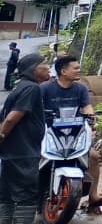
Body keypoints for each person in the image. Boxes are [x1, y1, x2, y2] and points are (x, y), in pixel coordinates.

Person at [42, 55, 102, 211]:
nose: (79, 70)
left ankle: (93, 196)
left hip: (74, 134)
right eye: (76, 68)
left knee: (93, 157)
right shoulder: (45, 89)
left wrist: (91, 117)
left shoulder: (81, 89)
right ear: (63, 71)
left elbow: (87, 107)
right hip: (49, 134)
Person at [0, 53, 51, 224]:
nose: (49, 68)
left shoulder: (20, 86)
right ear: (34, 69)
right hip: (24, 152)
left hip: (12, 152)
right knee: (26, 196)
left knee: (6, 194)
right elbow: (12, 118)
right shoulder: (32, 88)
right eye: (45, 64)